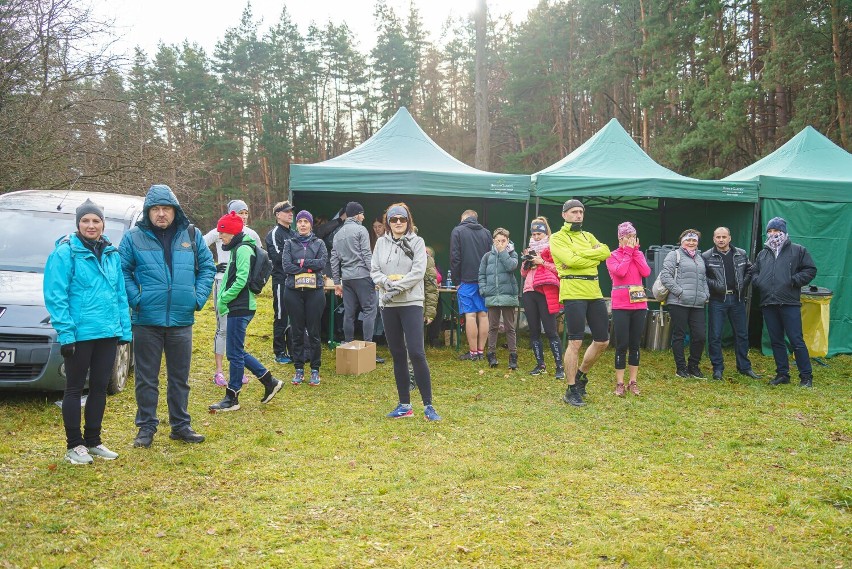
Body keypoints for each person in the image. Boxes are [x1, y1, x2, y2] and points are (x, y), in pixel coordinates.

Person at [119, 184, 216, 448]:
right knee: (145, 378)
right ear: (148, 212)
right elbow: (122, 271)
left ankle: (180, 425)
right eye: (156, 209)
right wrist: (136, 299)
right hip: (146, 319)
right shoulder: (133, 238)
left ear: (175, 211)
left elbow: (207, 267)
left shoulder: (191, 235)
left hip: (181, 319)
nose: (161, 214)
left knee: (179, 378)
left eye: (166, 209)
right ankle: (146, 427)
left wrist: (198, 297)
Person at [43, 199, 132, 464]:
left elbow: (120, 295)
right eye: (85, 221)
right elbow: (55, 295)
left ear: (103, 224)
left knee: (99, 389)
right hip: (80, 334)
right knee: (73, 389)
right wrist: (66, 334)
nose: (90, 225)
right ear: (78, 223)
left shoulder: (111, 254)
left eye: (95, 221)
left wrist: (124, 331)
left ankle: (93, 441)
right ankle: (74, 445)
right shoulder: (65, 253)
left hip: (107, 332)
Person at [208, 212, 284, 412]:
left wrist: (224, 298)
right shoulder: (237, 247)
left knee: (234, 353)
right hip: (239, 306)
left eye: (222, 233)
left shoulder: (242, 250)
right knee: (236, 351)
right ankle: (269, 381)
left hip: (240, 307)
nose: (220, 236)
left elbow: (241, 280)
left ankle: (232, 397)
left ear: (232, 232)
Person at [372, 203, 441, 421]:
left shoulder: (417, 242)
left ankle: (428, 406)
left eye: (402, 219)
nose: (398, 223)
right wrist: (384, 282)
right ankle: (404, 405)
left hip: (411, 302)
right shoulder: (381, 243)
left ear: (408, 221)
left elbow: (418, 271)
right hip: (388, 305)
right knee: (398, 354)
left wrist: (397, 286)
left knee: (417, 353)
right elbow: (374, 270)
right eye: (394, 219)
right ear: (388, 222)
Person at [550, 199, 611, 407]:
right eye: (574, 212)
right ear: (564, 214)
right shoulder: (557, 238)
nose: (578, 215)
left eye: (581, 212)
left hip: (594, 291)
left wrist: (580, 256)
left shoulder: (588, 236)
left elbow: (606, 252)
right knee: (575, 342)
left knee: (603, 341)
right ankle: (570, 389)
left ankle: (581, 375)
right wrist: (591, 258)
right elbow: (572, 260)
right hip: (572, 290)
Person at [750, 217, 817, 388]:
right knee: (776, 340)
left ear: (784, 232)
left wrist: (794, 280)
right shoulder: (762, 253)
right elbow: (754, 272)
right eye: (770, 231)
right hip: (768, 303)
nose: (773, 234)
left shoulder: (798, 250)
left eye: (776, 231)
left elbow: (810, 270)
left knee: (796, 340)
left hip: (789, 303)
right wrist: (759, 282)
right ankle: (782, 374)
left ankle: (806, 376)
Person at [203, 199, 262, 386]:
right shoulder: (220, 230)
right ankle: (219, 371)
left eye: (246, 212)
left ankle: (237, 369)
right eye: (239, 213)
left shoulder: (250, 234)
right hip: (222, 282)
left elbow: (261, 257)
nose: (243, 216)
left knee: (237, 330)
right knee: (223, 328)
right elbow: (200, 244)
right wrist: (212, 266)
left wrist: (254, 279)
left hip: (241, 287)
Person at [702, 227, 760, 381]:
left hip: (737, 299)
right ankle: (718, 369)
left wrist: (744, 283)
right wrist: (716, 285)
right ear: (713, 239)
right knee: (715, 336)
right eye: (718, 237)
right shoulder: (706, 256)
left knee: (742, 335)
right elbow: (702, 276)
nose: (721, 240)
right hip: (717, 300)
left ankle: (744, 367)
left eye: (724, 237)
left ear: (730, 238)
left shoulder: (740, 253)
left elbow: (751, 270)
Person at [330, 201, 382, 363]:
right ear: (357, 214)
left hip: (347, 278)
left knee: (349, 313)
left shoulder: (338, 233)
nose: (364, 216)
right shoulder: (361, 230)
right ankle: (368, 351)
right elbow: (367, 254)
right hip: (362, 276)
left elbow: (333, 259)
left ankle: (349, 348)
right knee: (369, 310)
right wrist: (375, 275)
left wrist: (337, 281)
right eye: (362, 213)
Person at [282, 210, 328, 386]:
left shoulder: (319, 243)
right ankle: (299, 368)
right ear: (296, 224)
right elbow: (286, 266)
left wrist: (299, 263)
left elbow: (322, 263)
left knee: (314, 332)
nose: (302, 224)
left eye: (305, 221)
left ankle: (315, 369)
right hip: (293, 292)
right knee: (297, 331)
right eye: (299, 221)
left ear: (310, 224)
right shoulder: (289, 243)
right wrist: (309, 267)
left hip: (314, 292)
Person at [605, 222, 651, 396]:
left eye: (633, 236)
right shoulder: (612, 255)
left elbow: (646, 272)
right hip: (621, 306)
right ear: (620, 238)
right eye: (627, 237)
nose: (631, 240)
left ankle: (633, 382)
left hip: (639, 304)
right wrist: (628, 253)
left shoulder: (638, 254)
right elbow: (620, 272)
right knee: (622, 344)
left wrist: (636, 253)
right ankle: (620, 382)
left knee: (635, 344)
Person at [659, 228, 710, 379]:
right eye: (688, 239)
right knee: (679, 335)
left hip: (697, 304)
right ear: (682, 241)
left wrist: (705, 294)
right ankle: (681, 368)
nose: (691, 242)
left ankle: (693, 366)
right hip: (678, 302)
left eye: (694, 240)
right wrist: (680, 292)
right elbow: (665, 276)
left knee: (700, 336)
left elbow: (704, 279)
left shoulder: (700, 258)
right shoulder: (673, 255)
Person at [520, 216, 563, 378]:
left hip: (545, 293)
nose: (537, 236)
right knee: (534, 331)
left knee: (551, 331)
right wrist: (527, 263)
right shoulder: (529, 248)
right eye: (534, 234)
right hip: (529, 291)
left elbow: (560, 270)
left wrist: (542, 262)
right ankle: (540, 364)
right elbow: (523, 274)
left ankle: (559, 367)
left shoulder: (552, 249)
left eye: (539, 233)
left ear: (546, 233)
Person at [450, 209, 491, 361]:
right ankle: (481, 351)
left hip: (465, 280)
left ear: (463, 218)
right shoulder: (486, 233)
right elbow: (490, 258)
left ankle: (473, 353)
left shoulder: (458, 231)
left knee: (470, 315)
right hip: (484, 280)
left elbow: (455, 257)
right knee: (484, 315)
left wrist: (456, 282)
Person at [478, 228, 519, 369]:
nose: (500, 243)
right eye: (498, 241)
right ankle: (491, 354)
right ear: (493, 241)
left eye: (503, 240)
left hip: (508, 295)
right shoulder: (487, 256)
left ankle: (513, 356)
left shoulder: (512, 254)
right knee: (493, 326)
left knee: (509, 327)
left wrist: (503, 252)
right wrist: (484, 290)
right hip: (492, 295)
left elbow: (511, 266)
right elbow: (481, 275)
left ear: (508, 241)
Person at [265, 200, 296, 364]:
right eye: (286, 211)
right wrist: (295, 261)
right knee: (281, 316)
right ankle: (279, 352)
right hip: (281, 282)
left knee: (294, 317)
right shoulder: (274, 233)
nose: (290, 214)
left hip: (295, 282)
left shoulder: (294, 233)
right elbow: (277, 258)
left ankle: (293, 350)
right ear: (278, 215)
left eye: (291, 211)